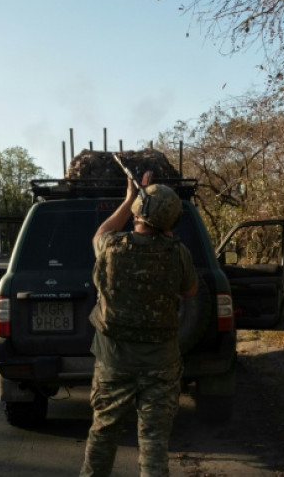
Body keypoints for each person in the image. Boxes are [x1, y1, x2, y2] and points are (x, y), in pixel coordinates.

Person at [80, 173, 199, 477]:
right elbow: (190, 292)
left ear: (138, 211)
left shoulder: (110, 247)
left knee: (103, 433)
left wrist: (128, 197)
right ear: (171, 220)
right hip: (161, 363)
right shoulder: (178, 254)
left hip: (114, 361)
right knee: (154, 441)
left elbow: (101, 231)